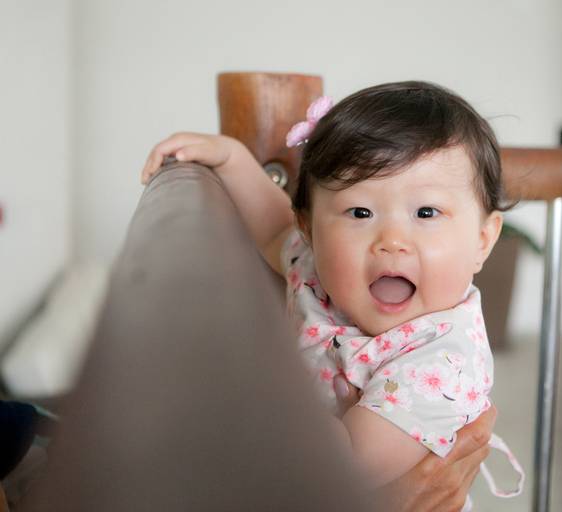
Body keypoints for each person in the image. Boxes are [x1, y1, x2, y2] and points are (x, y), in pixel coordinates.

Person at [141, 81, 523, 508]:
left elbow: (340, 464)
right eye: (360, 212)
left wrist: (247, 388)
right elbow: (273, 229)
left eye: (426, 212)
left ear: (482, 240)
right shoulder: (313, 271)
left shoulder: (442, 363)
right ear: (310, 229)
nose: (392, 241)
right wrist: (231, 157)